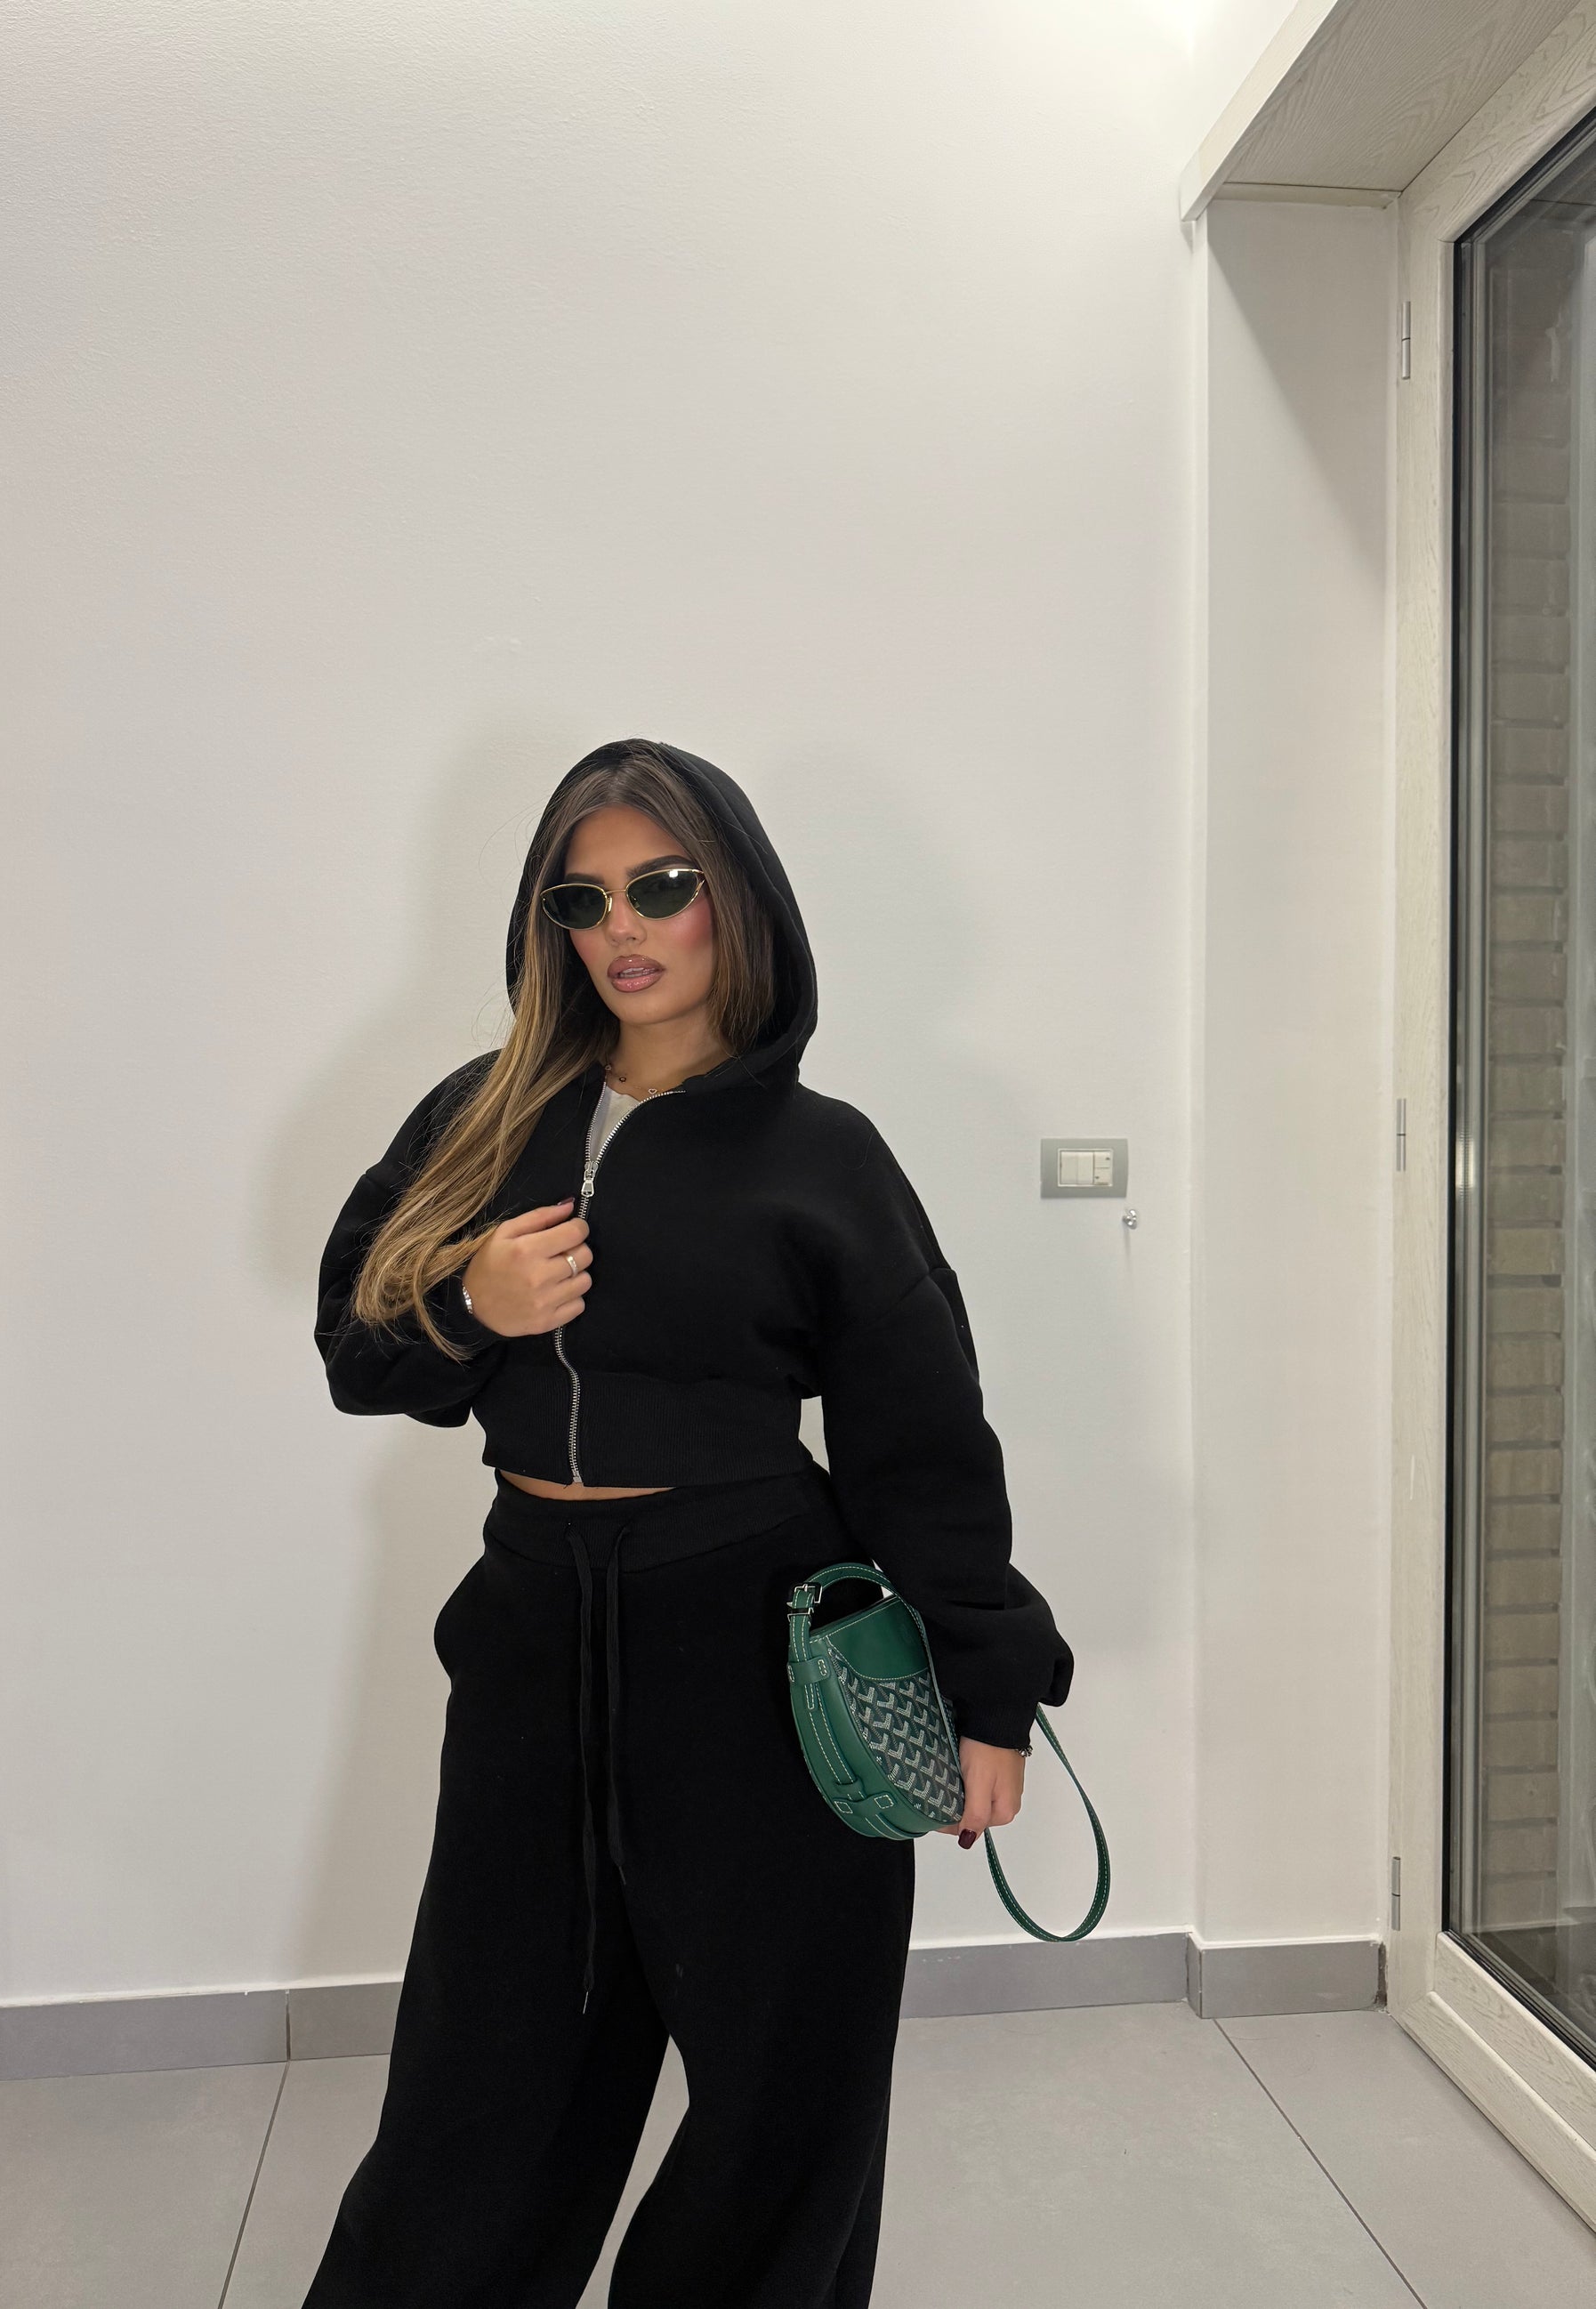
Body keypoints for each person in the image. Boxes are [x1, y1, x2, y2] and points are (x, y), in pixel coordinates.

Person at [300, 737, 1074, 2309]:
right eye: (579, 899)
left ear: (735, 897)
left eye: (660, 887)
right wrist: (473, 1303)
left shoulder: (820, 1152)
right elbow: (356, 1352)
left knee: (782, 2083)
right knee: (482, 2072)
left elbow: (921, 1441)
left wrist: (987, 1690)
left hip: (754, 1626)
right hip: (530, 1623)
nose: (621, 929)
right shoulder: (477, 1115)